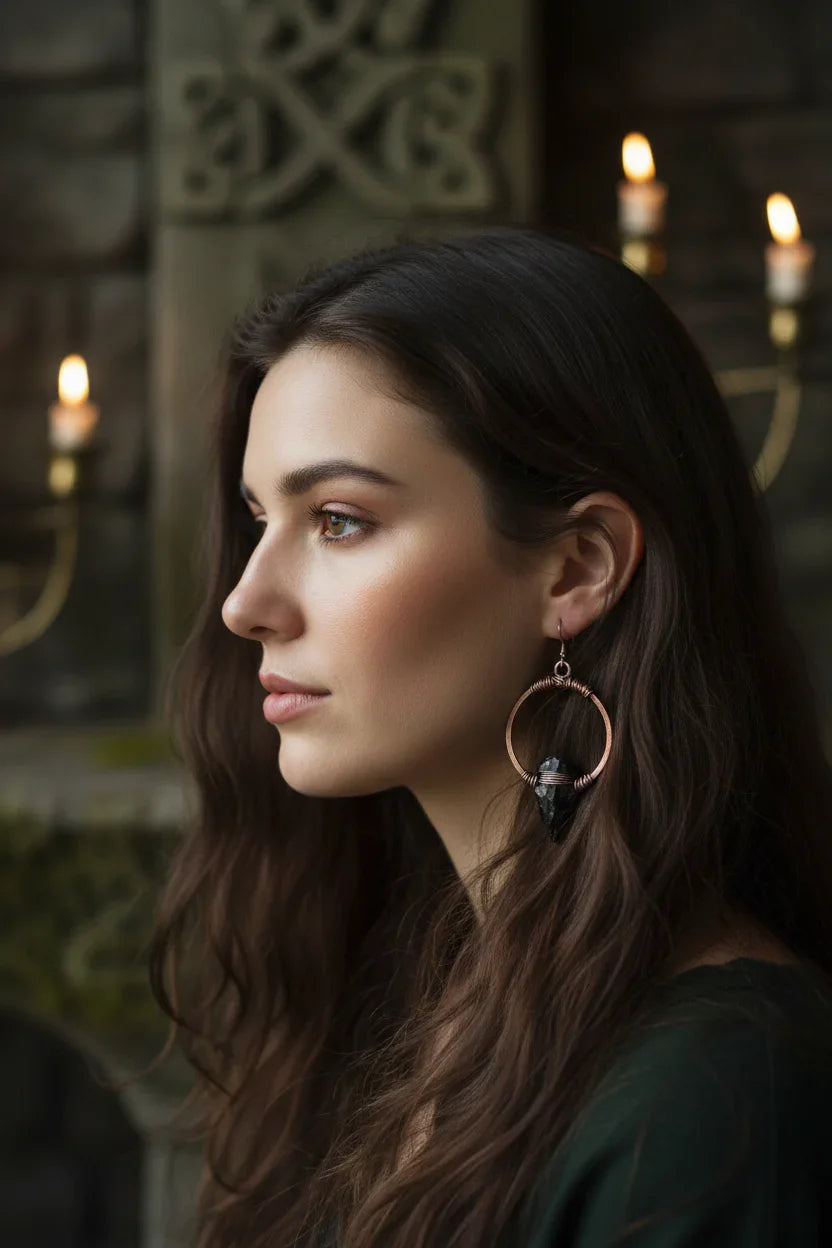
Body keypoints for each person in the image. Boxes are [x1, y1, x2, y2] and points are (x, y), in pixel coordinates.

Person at [147, 226, 832, 1247]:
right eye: (258, 521)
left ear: (577, 568)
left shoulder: (719, 1100)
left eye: (338, 520)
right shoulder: (404, 1002)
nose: (245, 604)